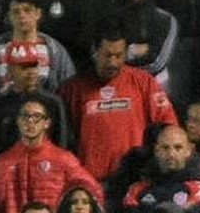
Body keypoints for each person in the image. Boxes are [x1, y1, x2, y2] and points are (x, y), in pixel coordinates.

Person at [59, 27, 177, 184]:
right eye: (107, 55)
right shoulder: (73, 88)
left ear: (126, 53)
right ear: (95, 52)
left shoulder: (144, 82)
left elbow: (168, 125)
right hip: (90, 181)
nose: (113, 62)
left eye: (118, 55)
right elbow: (63, 137)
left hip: (135, 179)